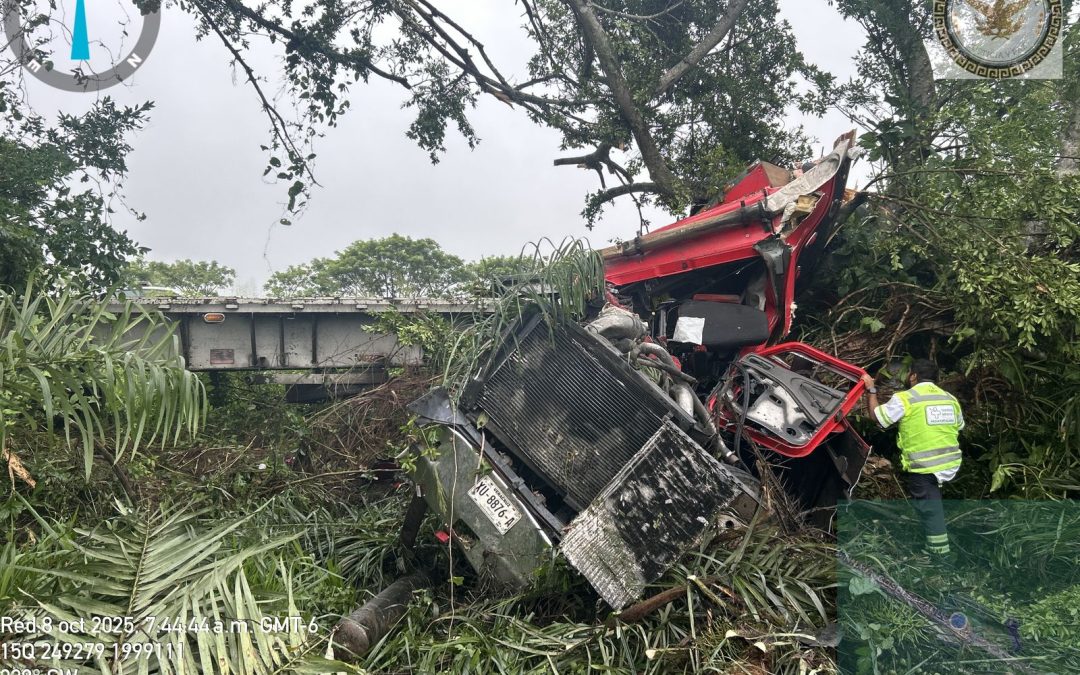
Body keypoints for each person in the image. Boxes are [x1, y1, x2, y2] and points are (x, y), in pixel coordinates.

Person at [861, 359, 964, 559]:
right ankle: (936, 545)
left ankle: (938, 556)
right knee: (931, 503)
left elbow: (877, 417)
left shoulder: (906, 398)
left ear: (914, 376)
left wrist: (871, 389)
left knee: (930, 509)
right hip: (950, 463)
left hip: (925, 465)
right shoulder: (949, 398)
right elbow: (959, 425)